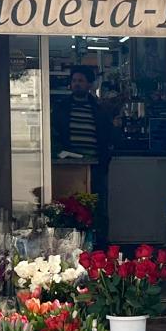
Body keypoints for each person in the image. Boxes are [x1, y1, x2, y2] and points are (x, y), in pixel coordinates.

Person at [52, 65, 115, 240]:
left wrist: (104, 161)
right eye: (74, 81)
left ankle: (99, 247)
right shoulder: (61, 108)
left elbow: (108, 137)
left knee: (98, 208)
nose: (76, 84)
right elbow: (54, 134)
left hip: (96, 167)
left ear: (89, 84)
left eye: (80, 81)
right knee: (70, 207)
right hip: (69, 168)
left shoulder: (99, 109)